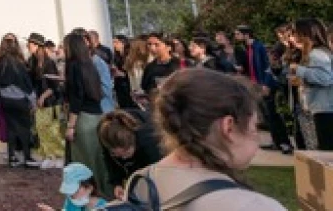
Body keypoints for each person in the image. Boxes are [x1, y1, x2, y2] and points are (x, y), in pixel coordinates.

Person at [128, 69, 286, 210]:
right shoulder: (252, 206)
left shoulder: (140, 182)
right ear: (228, 127)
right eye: (254, 126)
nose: (256, 137)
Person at [62, 33, 111, 197]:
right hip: (96, 117)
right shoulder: (90, 64)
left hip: (82, 119)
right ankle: (103, 195)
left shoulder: (74, 66)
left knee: (83, 164)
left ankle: (87, 198)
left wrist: (71, 125)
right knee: (98, 161)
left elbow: (77, 98)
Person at [235, 25, 292, 155]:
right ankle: (277, 141)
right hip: (256, 84)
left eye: (238, 34)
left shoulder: (258, 47)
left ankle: (284, 143)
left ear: (246, 34)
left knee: (273, 114)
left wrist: (266, 84)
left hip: (264, 85)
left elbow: (268, 67)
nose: (236, 37)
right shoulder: (248, 48)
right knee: (268, 114)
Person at [0, 36, 37, 167]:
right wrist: (33, 102)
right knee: (25, 128)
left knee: (11, 128)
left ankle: (12, 157)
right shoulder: (18, 63)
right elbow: (26, 84)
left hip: (5, 99)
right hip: (20, 99)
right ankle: (27, 157)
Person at [288, 17, 333, 150]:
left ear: (304, 33)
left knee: (326, 151)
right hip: (321, 107)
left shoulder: (317, 54)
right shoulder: (317, 53)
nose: (292, 36)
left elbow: (325, 78)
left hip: (325, 108)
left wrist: (299, 69)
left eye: (295, 32)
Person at [98, 109, 162, 200]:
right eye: (117, 155)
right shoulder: (105, 136)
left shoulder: (149, 140)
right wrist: (117, 183)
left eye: (126, 152)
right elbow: (109, 160)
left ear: (133, 143)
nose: (124, 158)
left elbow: (158, 171)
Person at [28, 34, 63, 169]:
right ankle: (48, 155)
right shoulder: (33, 61)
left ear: (37, 46)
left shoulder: (49, 62)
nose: (28, 47)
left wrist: (43, 97)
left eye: (30, 44)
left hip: (51, 101)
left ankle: (58, 155)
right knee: (41, 129)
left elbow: (54, 85)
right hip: (39, 100)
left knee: (53, 129)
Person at [37, 163, 108, 211]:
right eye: (69, 192)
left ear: (89, 188)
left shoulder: (103, 207)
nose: (72, 196)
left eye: (75, 191)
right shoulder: (71, 201)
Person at [140, 33, 180, 97]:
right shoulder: (149, 67)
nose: (152, 48)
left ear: (168, 47)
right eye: (149, 44)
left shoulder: (179, 64)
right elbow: (144, 86)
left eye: (157, 45)